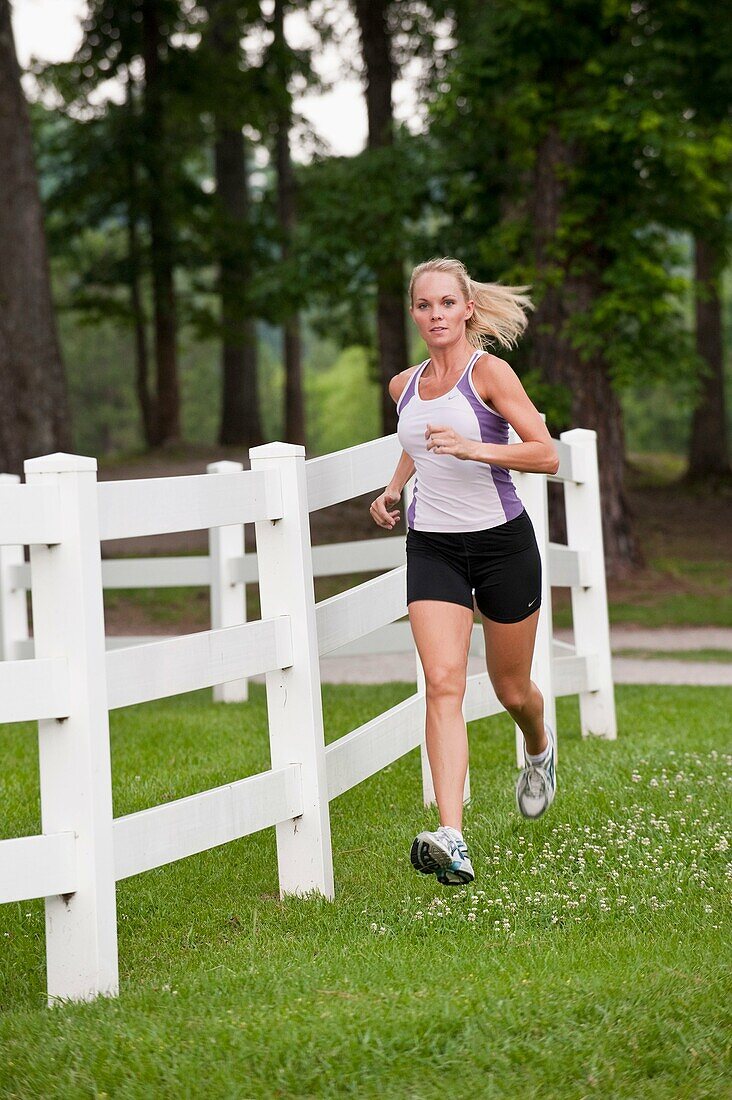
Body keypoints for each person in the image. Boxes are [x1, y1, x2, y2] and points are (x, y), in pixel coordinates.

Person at [369, 256, 560, 887]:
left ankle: (538, 748)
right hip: (434, 548)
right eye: (425, 305)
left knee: (511, 690)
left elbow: (545, 454)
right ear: (414, 312)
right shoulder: (404, 385)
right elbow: (415, 442)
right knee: (443, 681)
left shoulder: (490, 375)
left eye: (446, 303)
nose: (436, 315)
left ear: (467, 308)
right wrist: (395, 489)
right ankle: (451, 836)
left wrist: (476, 446)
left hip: (503, 544)